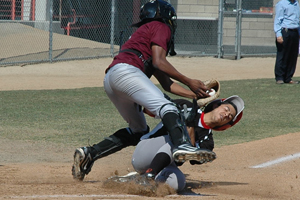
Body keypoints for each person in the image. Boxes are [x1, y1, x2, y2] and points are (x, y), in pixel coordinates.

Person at [72, 0, 215, 181]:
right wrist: (189, 81)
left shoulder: (144, 35)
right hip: (128, 72)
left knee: (138, 130)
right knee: (169, 107)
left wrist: (195, 94)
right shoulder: (160, 25)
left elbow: (166, 83)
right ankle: (182, 145)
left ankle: (90, 153)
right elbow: (159, 62)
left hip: (112, 78)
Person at [131, 95, 245, 192]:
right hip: (144, 152)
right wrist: (163, 100)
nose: (226, 114)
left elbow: (194, 158)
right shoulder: (186, 106)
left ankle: (139, 180)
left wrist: (189, 124)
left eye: (229, 116)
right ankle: (149, 175)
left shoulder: (208, 142)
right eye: (226, 109)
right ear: (216, 105)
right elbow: (149, 109)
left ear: (226, 124)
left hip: (164, 164)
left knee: (178, 183)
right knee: (178, 140)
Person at [274, 0, 300, 84]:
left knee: (292, 56)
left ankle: (288, 77)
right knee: (282, 55)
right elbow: (278, 20)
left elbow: (297, 19)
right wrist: (278, 34)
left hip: (295, 31)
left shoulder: (296, 4)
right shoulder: (282, 4)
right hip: (285, 31)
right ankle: (280, 77)